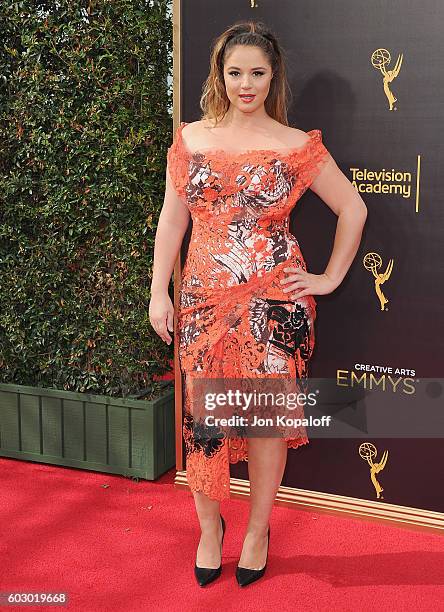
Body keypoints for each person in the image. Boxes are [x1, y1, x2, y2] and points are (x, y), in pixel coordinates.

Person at [149, 20, 367, 587]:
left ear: (273, 77)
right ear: (220, 76)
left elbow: (353, 208)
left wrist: (325, 278)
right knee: (204, 423)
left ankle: (257, 530)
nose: (246, 84)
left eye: (258, 73)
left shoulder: (296, 146)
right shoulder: (190, 138)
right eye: (235, 72)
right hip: (201, 302)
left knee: (267, 423)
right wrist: (158, 290)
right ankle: (208, 527)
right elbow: (173, 220)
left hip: (273, 305)